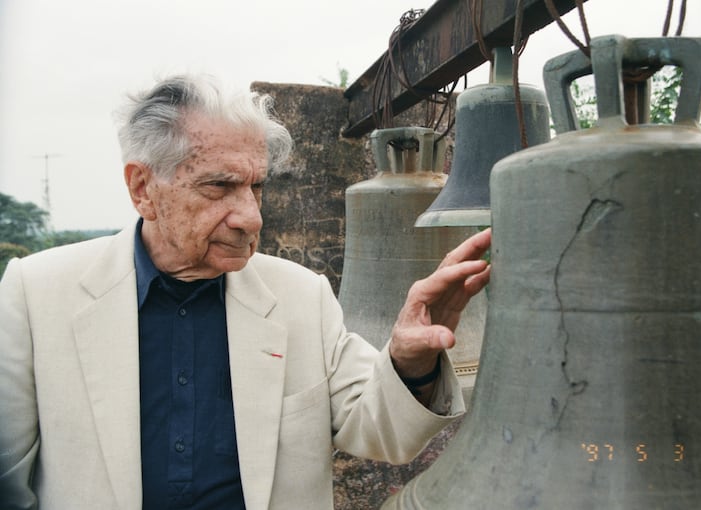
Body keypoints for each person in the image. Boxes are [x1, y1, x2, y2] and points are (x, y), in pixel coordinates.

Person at [0, 74, 492, 510]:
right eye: (219, 187)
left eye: (256, 187)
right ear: (142, 188)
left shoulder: (301, 297)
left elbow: (380, 430)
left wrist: (408, 360)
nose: (251, 218)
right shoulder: (35, 295)